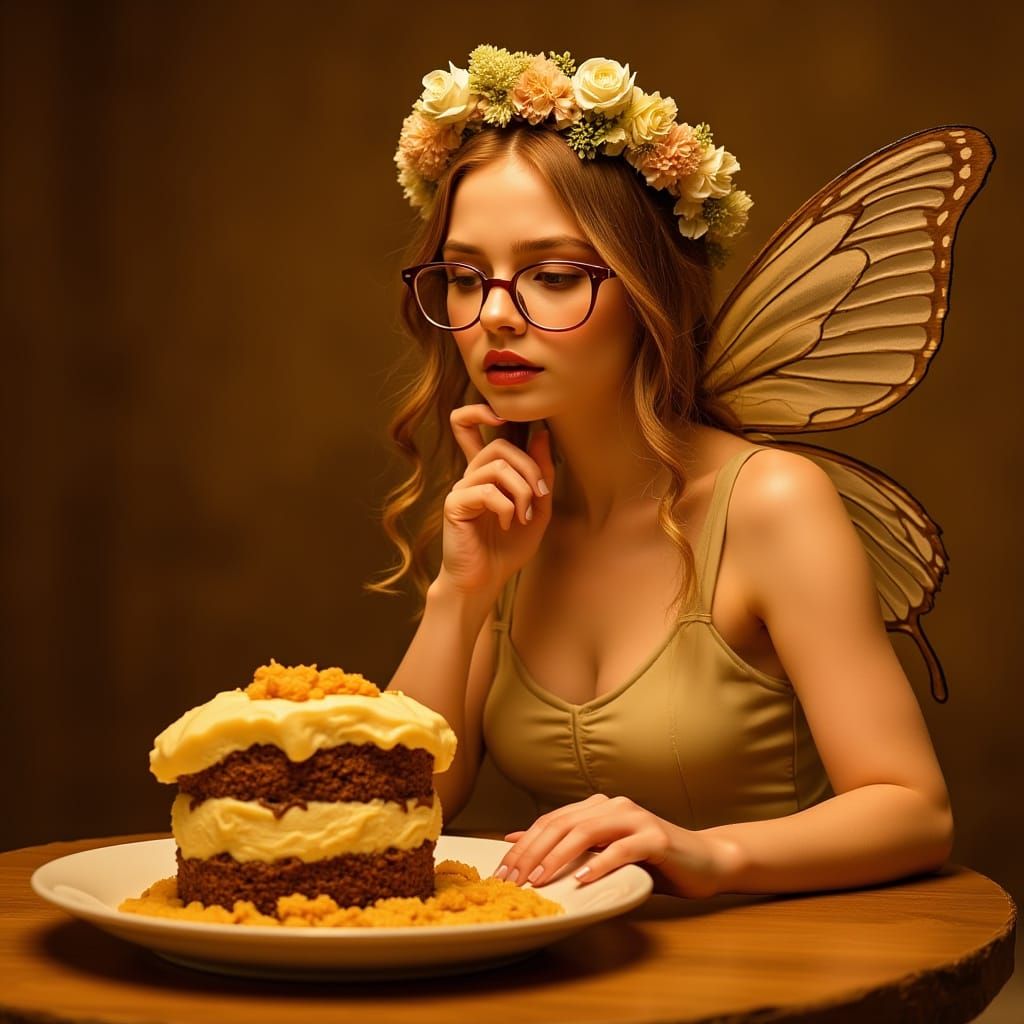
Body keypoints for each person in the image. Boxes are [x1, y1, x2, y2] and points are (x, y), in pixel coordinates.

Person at [377, 45, 955, 900]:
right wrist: (459, 596)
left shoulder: (769, 502)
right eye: (465, 278)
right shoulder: (506, 514)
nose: (495, 315)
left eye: (555, 275)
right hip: (569, 980)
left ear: (647, 287)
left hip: (776, 974)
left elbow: (913, 811)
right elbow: (389, 812)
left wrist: (702, 853)